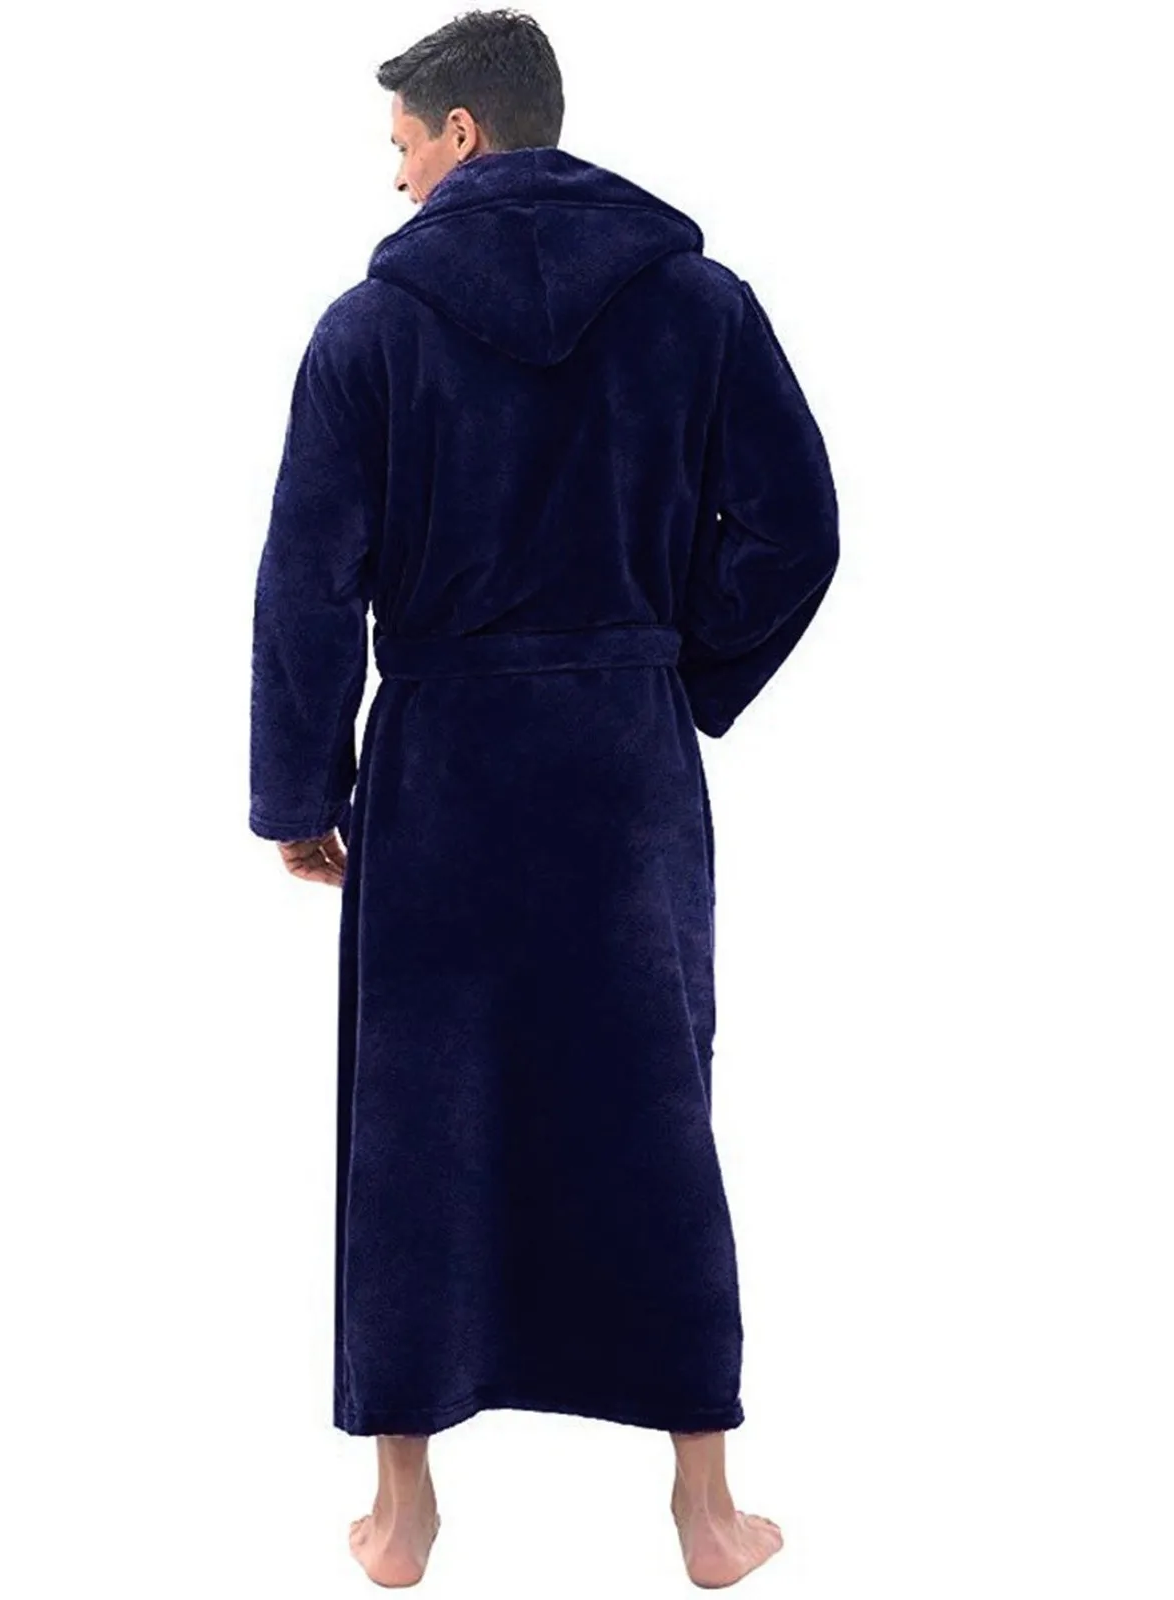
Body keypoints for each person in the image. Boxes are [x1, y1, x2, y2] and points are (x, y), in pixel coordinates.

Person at [249, 9, 838, 1587]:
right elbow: (798, 527)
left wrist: (300, 786)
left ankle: (404, 1510)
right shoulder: (701, 306)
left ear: (464, 133)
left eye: (400, 146)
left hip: (443, 773)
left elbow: (308, 581)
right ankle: (706, 1508)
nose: (393, 181)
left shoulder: (369, 332)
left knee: (415, 1123)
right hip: (623, 773)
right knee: (652, 1112)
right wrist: (679, 672)